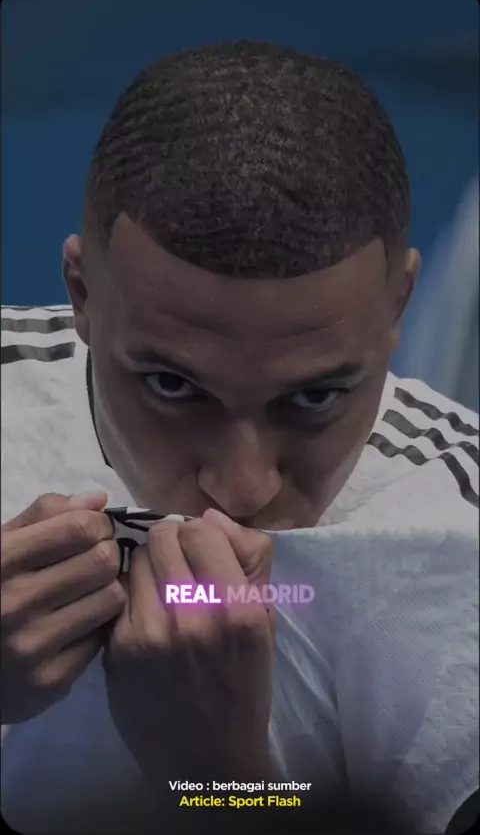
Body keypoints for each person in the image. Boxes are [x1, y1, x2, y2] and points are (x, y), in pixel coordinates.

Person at [1, 41, 478, 835]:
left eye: (315, 397)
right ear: (82, 295)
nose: (240, 487)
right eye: (171, 385)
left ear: (396, 309)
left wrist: (219, 780)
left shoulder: (460, 543)